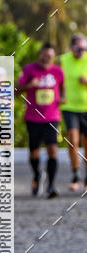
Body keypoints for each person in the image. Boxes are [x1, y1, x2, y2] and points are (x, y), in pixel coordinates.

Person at [16, 43, 64, 197]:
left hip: (52, 117)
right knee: (34, 153)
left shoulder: (58, 72)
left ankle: (51, 185)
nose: (46, 58)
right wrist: (29, 85)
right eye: (44, 55)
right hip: (33, 117)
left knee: (52, 150)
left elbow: (62, 88)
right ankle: (37, 175)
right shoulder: (29, 69)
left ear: (53, 57)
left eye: (49, 56)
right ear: (39, 55)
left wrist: (62, 98)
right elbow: (16, 90)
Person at [59, 33, 87, 191]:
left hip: (86, 107)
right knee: (73, 141)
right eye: (78, 48)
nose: (81, 51)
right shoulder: (62, 60)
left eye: (83, 48)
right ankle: (76, 175)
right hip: (69, 106)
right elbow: (56, 79)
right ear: (71, 47)